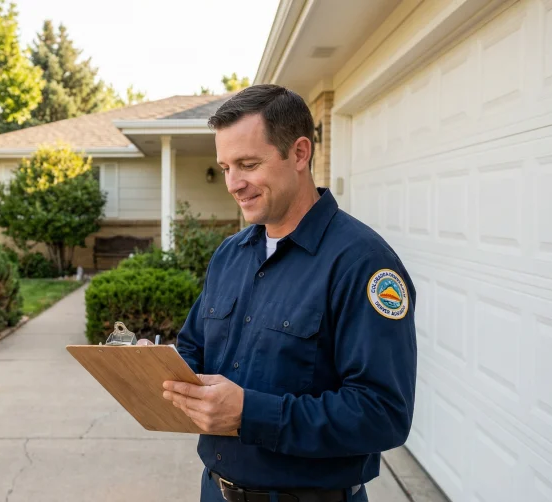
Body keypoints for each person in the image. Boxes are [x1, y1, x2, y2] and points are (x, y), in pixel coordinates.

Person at [159, 84, 417, 502]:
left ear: (299, 153)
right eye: (225, 167)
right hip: (215, 491)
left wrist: (249, 413)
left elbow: (383, 414)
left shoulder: (362, 263)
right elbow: (193, 349)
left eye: (247, 164)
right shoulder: (230, 255)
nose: (233, 184)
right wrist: (151, 369)